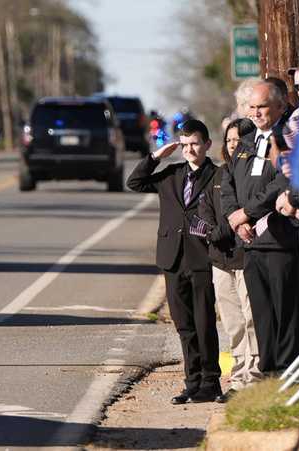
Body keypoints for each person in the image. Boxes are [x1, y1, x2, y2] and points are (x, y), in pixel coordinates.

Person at [127, 119, 224, 404]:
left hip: (202, 258)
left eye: (195, 144)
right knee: (184, 324)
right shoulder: (171, 174)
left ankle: (211, 381)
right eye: (184, 145)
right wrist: (157, 156)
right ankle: (192, 382)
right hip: (173, 259)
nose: (190, 150)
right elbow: (135, 182)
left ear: (207, 145)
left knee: (204, 321)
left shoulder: (217, 177)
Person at [221, 81, 299, 374]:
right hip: (250, 242)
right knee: (262, 314)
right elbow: (228, 183)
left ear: (280, 107)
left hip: (280, 239)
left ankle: (288, 371)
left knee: (286, 312)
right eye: (252, 107)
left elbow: (282, 183)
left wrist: (247, 212)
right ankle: (268, 373)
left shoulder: (288, 138)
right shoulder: (245, 142)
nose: (256, 113)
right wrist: (235, 217)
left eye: (262, 107)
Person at [198, 117, 261, 397]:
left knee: (251, 320)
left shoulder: (256, 170)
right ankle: (237, 377)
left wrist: (225, 228)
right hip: (220, 259)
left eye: (239, 139)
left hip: (246, 255)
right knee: (233, 322)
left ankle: (254, 374)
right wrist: (213, 232)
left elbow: (246, 208)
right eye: (230, 140)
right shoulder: (219, 174)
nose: (234, 144)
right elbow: (208, 208)